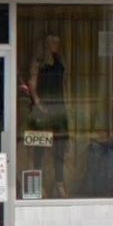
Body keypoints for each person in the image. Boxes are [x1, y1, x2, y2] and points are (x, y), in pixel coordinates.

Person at [28, 34, 69, 198]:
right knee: (39, 149)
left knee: (60, 148)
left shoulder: (60, 61)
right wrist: (38, 103)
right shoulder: (39, 62)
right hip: (43, 109)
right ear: (46, 44)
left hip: (58, 108)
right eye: (53, 43)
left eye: (58, 42)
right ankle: (37, 186)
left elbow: (63, 84)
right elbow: (31, 84)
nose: (56, 45)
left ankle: (59, 183)